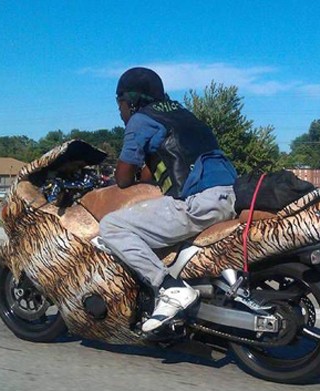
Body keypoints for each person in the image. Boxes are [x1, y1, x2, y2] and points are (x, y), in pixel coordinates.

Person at [99, 67, 238, 334]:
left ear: (130, 101)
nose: (120, 113)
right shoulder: (184, 115)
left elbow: (124, 178)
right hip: (228, 195)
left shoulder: (141, 120)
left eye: (120, 105)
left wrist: (111, 181)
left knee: (112, 226)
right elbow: (154, 174)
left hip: (198, 202)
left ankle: (169, 289)